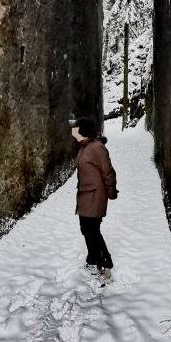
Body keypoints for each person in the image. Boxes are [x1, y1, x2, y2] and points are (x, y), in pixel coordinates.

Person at [69, 116, 118, 280]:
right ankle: (93, 258)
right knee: (86, 228)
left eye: (75, 128)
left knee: (92, 230)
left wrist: (111, 191)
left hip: (95, 195)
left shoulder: (97, 147)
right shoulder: (84, 146)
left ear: (83, 131)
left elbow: (108, 171)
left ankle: (106, 263)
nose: (72, 131)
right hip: (85, 194)